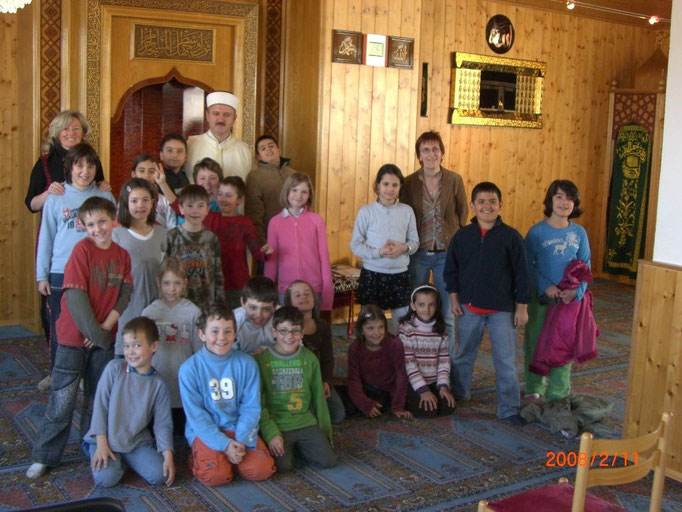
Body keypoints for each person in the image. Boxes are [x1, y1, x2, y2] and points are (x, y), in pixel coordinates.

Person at [26, 197, 133, 479]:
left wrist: (104, 328)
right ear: (84, 226)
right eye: (91, 224)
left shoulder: (122, 255)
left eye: (102, 222)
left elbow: (125, 293)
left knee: (97, 398)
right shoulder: (81, 250)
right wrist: (94, 333)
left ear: (113, 221)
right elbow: (75, 297)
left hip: (103, 338)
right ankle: (45, 455)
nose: (98, 229)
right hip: (73, 337)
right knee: (63, 398)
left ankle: (91, 446)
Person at [443, 182, 531, 425]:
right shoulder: (463, 236)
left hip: (502, 310)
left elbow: (523, 274)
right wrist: (453, 299)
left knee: (506, 361)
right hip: (468, 308)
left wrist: (522, 307)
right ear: (472, 206)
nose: (487, 206)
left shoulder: (511, 237)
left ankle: (509, 408)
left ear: (500, 205)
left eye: (492, 201)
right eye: (481, 202)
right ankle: (460, 394)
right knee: (463, 355)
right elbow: (451, 270)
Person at [35, 143, 116, 389]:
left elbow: (115, 237)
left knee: (93, 325)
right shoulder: (56, 197)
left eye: (90, 166)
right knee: (61, 327)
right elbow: (46, 237)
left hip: (97, 273)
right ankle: (58, 375)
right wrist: (42, 275)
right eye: (79, 165)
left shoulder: (105, 196)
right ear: (70, 168)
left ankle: (87, 378)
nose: (85, 171)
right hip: (62, 272)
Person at [179, 304, 276, 486]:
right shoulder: (189, 369)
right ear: (202, 334)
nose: (222, 337)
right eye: (215, 331)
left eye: (228, 331)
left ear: (235, 334)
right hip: (207, 431)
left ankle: (229, 458)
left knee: (261, 470)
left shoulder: (247, 364)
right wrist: (224, 445)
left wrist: (240, 441)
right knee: (216, 476)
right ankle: (199, 457)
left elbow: (251, 407)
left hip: (239, 428)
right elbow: (197, 416)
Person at [84, 317, 175, 488]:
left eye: (137, 345)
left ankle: (125, 460)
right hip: (105, 438)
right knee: (106, 479)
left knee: (160, 475)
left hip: (135, 442)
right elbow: (100, 408)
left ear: (154, 346)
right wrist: (102, 443)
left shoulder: (159, 384)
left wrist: (168, 455)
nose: (130, 352)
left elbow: (162, 424)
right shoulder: (114, 369)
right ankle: (112, 458)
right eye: (126, 346)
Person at [399, 131, 468, 354]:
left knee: (448, 313)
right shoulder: (409, 182)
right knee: (414, 309)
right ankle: (414, 356)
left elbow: (462, 213)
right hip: (417, 253)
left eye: (435, 149)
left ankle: (447, 361)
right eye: (426, 150)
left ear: (442, 153)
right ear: (419, 155)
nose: (431, 154)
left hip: (446, 255)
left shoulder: (454, 180)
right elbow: (404, 216)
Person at [524, 180, 591, 403]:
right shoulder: (537, 232)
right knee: (536, 340)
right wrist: (545, 285)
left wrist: (577, 292)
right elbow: (527, 265)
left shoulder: (579, 233)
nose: (564, 203)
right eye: (559, 197)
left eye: (570, 198)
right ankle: (534, 386)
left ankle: (559, 391)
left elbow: (586, 265)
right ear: (550, 200)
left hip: (568, 300)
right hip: (542, 298)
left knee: (564, 344)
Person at [256, 306, 338, 473]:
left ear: (302, 333)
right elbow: (259, 402)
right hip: (278, 423)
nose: (289, 337)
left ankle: (300, 448)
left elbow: (319, 399)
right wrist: (270, 433)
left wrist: (325, 433)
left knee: (328, 461)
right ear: (274, 332)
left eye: (295, 331)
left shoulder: (310, 359)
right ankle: (291, 449)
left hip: (304, 421)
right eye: (283, 331)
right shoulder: (262, 361)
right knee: (283, 466)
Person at [350, 164, 419, 330]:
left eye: (395, 185)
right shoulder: (366, 212)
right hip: (372, 275)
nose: (390, 189)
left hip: (400, 275)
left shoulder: (407, 211)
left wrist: (404, 248)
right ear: (378, 185)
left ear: (400, 187)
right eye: (386, 184)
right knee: (371, 324)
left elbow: (415, 243)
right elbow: (355, 245)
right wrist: (378, 252)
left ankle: (398, 347)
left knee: (402, 325)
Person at [142, 258, 202, 435]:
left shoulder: (193, 312)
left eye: (177, 283)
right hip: (157, 380)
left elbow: (199, 352)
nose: (172, 289)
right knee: (157, 430)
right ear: (158, 282)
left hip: (183, 383)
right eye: (167, 283)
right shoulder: (150, 312)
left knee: (181, 432)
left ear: (184, 283)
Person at [112, 178, 166, 357]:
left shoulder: (162, 233)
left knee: (154, 353)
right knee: (129, 354)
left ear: (153, 202)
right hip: (128, 305)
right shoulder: (117, 235)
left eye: (145, 200)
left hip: (156, 304)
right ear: (126, 203)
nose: (140, 205)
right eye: (134, 201)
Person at [265, 172, 334, 311]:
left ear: (309, 195)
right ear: (287, 191)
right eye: (294, 190)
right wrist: (268, 295)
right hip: (286, 291)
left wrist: (327, 294)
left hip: (313, 289)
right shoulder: (275, 222)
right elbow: (271, 262)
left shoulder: (317, 221)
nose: (298, 195)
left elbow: (324, 258)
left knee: (311, 324)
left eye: (304, 192)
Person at [205, 176, 272, 310]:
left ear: (240, 200)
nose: (223, 199)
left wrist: (266, 251)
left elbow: (257, 252)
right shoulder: (209, 218)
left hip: (237, 286)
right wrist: (163, 183)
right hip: (211, 284)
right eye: (220, 194)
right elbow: (182, 208)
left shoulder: (245, 222)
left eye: (228, 195)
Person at [284, 280, 345, 424]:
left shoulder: (322, 325)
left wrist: (325, 382)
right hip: (296, 381)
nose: (303, 297)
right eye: (297, 295)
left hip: (317, 378)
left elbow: (328, 358)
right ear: (289, 302)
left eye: (307, 293)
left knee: (337, 415)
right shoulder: (286, 329)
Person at [398, 285, 456, 418]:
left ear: (437, 306)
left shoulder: (441, 329)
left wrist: (443, 386)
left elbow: (444, 360)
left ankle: (434, 394)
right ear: (413, 306)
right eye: (421, 305)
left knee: (448, 407)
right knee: (428, 411)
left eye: (431, 305)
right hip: (412, 382)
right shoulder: (406, 329)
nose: (427, 309)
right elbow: (409, 364)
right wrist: (423, 390)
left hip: (433, 381)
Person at [163, 185, 225, 310]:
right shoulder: (170, 237)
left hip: (206, 304)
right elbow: (163, 272)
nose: (195, 211)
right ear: (181, 208)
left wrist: (220, 304)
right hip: (177, 302)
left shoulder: (211, 238)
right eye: (190, 206)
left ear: (207, 209)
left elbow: (217, 273)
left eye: (200, 206)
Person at [347, 305, 411, 419]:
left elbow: (402, 376)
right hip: (368, 388)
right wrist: (363, 403)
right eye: (370, 328)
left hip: (390, 390)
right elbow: (353, 379)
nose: (376, 333)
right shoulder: (355, 348)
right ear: (361, 330)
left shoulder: (394, 344)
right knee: (348, 406)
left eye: (380, 327)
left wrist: (398, 405)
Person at [185, 91, 252, 184]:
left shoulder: (244, 150)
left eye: (227, 115)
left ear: (234, 119)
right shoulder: (190, 144)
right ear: (207, 116)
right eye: (216, 113)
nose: (221, 119)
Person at [245, 135, 296, 244]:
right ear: (258, 157)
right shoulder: (255, 177)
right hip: (270, 236)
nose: (268, 149)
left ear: (279, 150)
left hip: (295, 234)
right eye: (263, 148)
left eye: (271, 146)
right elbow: (254, 213)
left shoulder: (293, 175)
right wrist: (262, 243)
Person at [129, 154, 177, 229]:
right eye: (142, 171)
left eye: (151, 171)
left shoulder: (165, 201)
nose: (146, 175)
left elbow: (172, 228)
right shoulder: (127, 199)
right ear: (133, 174)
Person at [233, 276, 278, 355]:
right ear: (243, 302)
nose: (258, 315)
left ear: (275, 306)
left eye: (266, 309)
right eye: (252, 308)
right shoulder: (234, 322)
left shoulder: (282, 319)